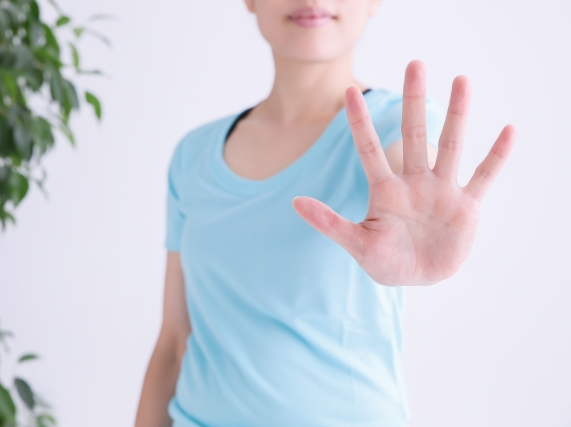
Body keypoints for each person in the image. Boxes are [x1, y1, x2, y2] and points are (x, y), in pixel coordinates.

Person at [134, 1, 516, 426]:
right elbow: (173, 343)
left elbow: (411, 168)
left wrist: (427, 219)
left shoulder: (393, 126)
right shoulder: (193, 155)